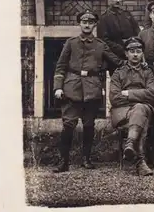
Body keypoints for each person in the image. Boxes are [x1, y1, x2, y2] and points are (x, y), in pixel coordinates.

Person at [52, 10, 124, 173]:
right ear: (79, 24)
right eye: (84, 22)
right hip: (71, 89)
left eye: (90, 22)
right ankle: (63, 161)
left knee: (89, 125)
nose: (87, 25)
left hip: (92, 89)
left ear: (94, 25)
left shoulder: (100, 44)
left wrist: (136, 62)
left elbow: (116, 60)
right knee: (68, 125)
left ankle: (86, 158)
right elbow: (61, 66)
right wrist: (58, 87)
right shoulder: (71, 43)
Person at [109, 37, 154, 176]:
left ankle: (131, 146)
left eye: (138, 51)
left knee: (140, 110)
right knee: (141, 115)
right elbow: (114, 98)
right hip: (122, 113)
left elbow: (152, 94)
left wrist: (127, 93)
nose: (135, 54)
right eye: (132, 51)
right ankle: (140, 161)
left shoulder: (147, 72)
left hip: (142, 109)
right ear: (126, 54)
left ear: (142, 54)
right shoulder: (118, 73)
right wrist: (139, 95)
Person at [97, 0, 141, 74]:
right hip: (114, 59)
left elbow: (137, 33)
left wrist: (132, 48)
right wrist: (123, 49)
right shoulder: (103, 18)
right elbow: (104, 41)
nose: (118, 0)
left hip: (132, 57)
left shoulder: (127, 15)